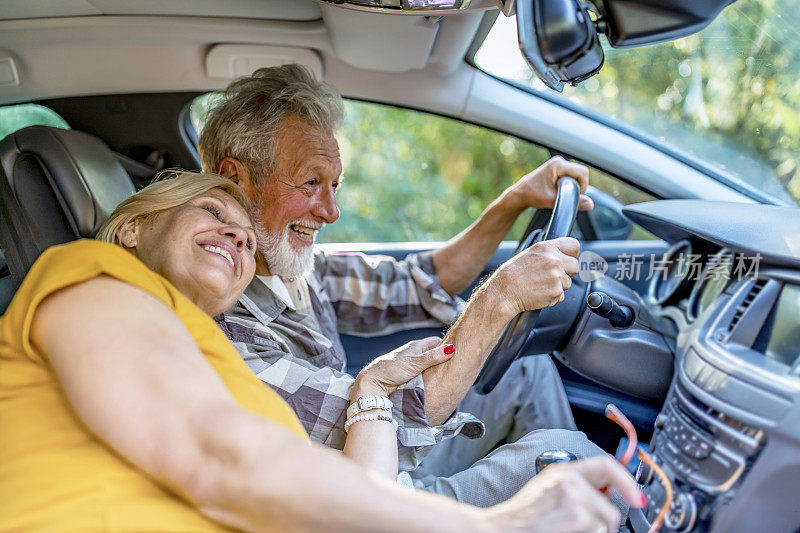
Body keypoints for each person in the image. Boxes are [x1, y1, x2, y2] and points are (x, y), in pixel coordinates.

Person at [0, 170, 645, 532]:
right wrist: (499, 528)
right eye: (212, 210)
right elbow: (220, 460)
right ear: (136, 226)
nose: (238, 235)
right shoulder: (91, 277)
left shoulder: (216, 361)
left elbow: (352, 491)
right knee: (568, 463)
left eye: (248, 241)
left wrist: (369, 392)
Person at [199, 65, 598, 499]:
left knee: (526, 369)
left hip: (388, 463)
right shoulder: (226, 330)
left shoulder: (294, 267)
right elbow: (389, 424)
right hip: (373, 503)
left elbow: (418, 281)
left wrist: (515, 200)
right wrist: (500, 297)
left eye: (335, 185)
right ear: (235, 178)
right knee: (571, 459)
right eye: (311, 182)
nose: (331, 211)